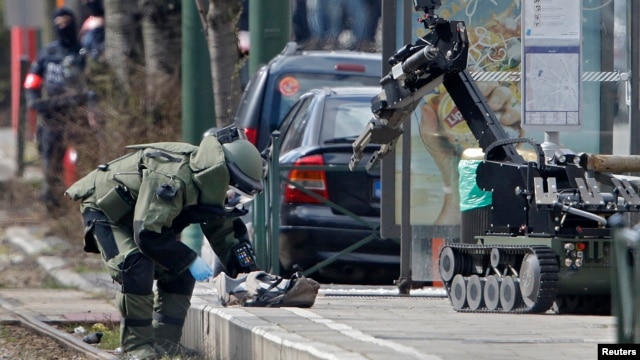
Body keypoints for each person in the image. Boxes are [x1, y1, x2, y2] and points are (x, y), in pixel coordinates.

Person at [64, 126, 263, 359]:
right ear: (222, 175)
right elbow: (148, 235)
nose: (231, 197)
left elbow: (226, 236)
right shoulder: (173, 177)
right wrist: (190, 259)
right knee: (135, 265)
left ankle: (164, 343)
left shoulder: (207, 183)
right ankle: (136, 348)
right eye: (232, 189)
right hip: (106, 212)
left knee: (180, 272)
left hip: (141, 220)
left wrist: (251, 276)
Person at [23, 7, 93, 210]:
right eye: (59, 24)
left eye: (67, 23)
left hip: (77, 117)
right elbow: (32, 82)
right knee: (50, 162)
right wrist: (34, 100)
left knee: (81, 161)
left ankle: (81, 206)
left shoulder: (82, 52)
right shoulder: (48, 53)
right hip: (52, 118)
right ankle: (53, 207)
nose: (63, 27)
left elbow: (93, 83)